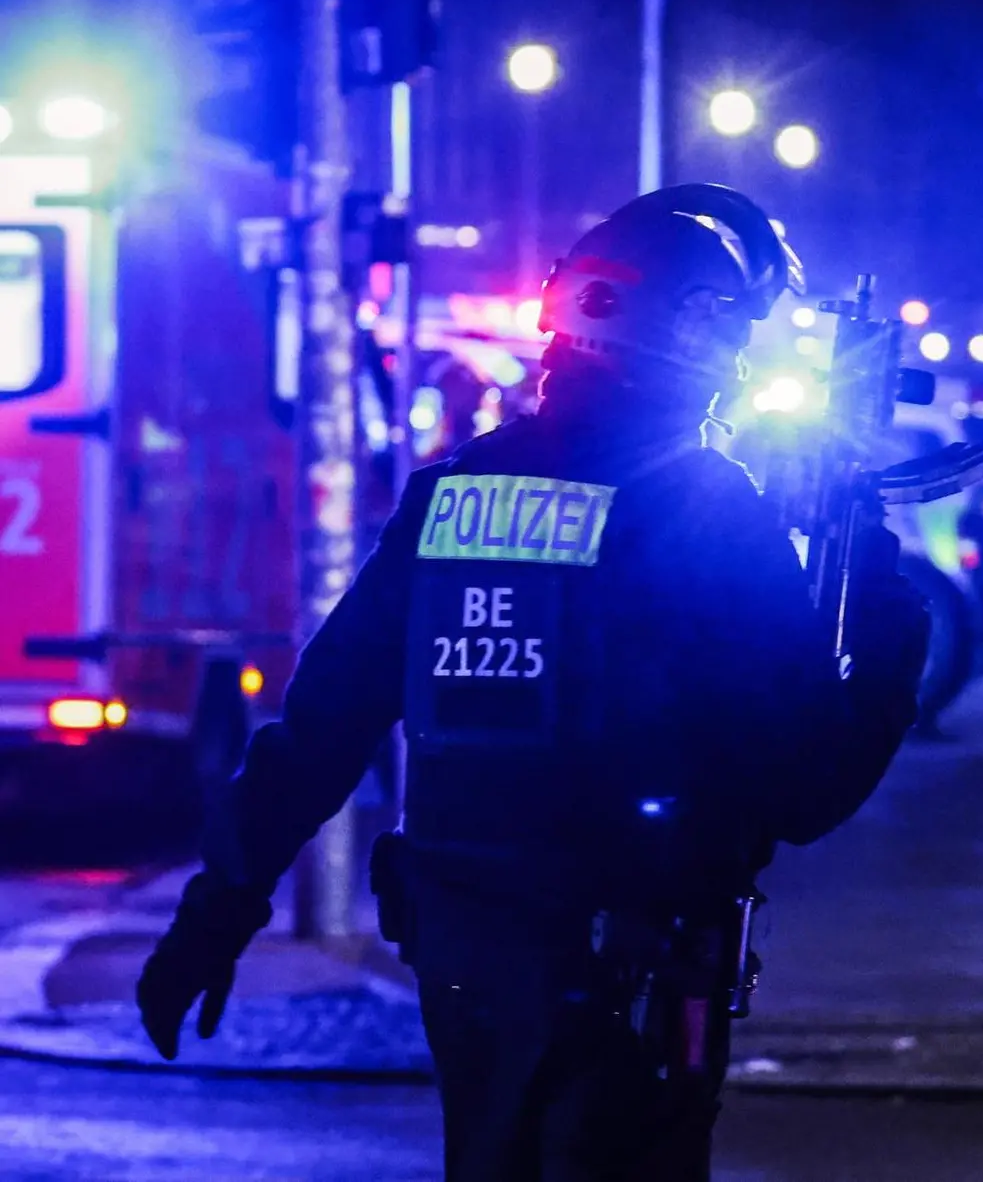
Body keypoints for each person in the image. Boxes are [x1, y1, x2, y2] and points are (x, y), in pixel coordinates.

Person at [135, 183, 931, 1181]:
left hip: (466, 956)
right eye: (731, 343)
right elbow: (810, 782)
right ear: (696, 338)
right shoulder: (702, 509)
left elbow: (321, 726)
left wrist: (216, 913)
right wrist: (892, 622)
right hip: (635, 959)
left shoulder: (453, 494)